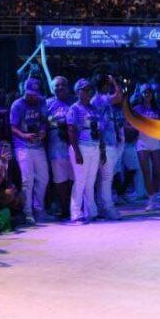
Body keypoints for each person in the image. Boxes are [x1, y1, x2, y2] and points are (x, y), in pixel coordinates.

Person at [9, 78, 49, 224]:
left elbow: (45, 121)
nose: (33, 97)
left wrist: (43, 131)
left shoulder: (41, 102)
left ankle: (39, 209)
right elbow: (12, 127)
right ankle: (27, 212)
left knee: (44, 178)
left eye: (35, 94)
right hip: (22, 145)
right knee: (27, 180)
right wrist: (24, 135)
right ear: (24, 91)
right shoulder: (17, 105)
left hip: (38, 145)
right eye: (30, 94)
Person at [65, 78, 104, 224]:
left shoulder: (94, 108)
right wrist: (77, 152)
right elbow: (71, 131)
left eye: (90, 90)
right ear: (78, 92)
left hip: (94, 146)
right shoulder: (74, 109)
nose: (89, 92)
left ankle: (92, 211)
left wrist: (102, 148)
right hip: (80, 146)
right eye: (85, 90)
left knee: (91, 180)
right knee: (80, 180)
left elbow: (99, 130)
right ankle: (76, 213)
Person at [92, 75, 124, 221]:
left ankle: (101, 207)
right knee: (106, 178)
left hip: (106, 143)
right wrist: (114, 80)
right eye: (108, 85)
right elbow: (119, 96)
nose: (110, 88)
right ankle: (108, 208)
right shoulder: (99, 99)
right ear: (104, 85)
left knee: (102, 178)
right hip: (104, 145)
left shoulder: (101, 99)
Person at [44, 76, 75, 220]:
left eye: (63, 85)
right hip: (55, 148)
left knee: (74, 179)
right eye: (57, 85)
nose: (60, 87)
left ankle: (75, 207)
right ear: (52, 88)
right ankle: (65, 209)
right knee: (59, 180)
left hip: (75, 147)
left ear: (68, 87)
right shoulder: (47, 104)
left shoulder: (74, 101)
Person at [133, 85, 160, 211]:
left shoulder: (157, 108)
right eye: (145, 93)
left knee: (158, 170)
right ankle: (150, 200)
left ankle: (154, 198)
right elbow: (130, 124)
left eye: (149, 92)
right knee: (146, 171)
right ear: (141, 94)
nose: (147, 95)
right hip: (142, 141)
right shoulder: (136, 109)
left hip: (155, 141)